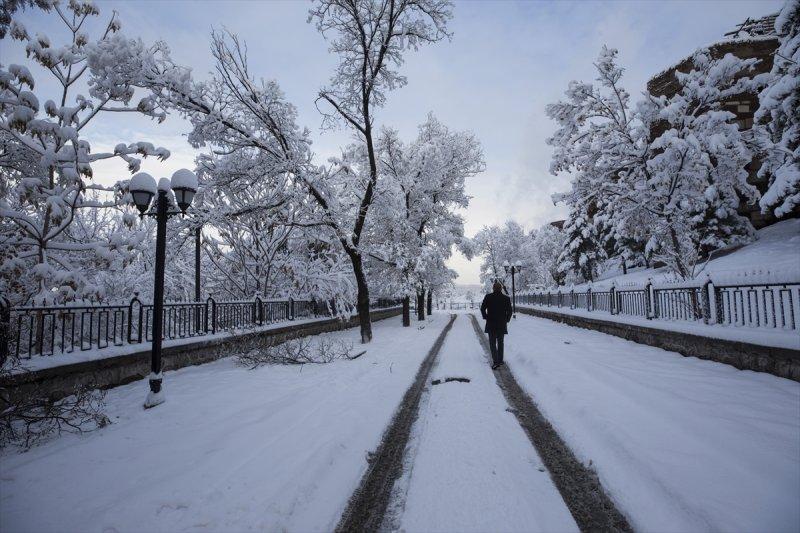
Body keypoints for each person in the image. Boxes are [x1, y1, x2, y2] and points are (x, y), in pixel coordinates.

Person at [480, 281, 513, 370]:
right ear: (501, 289)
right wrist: (507, 320)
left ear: (493, 288)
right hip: (502, 324)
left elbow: (482, 308)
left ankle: (495, 361)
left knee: (492, 343)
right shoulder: (506, 298)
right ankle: (500, 360)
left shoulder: (488, 297)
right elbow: (510, 311)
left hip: (491, 323)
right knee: (500, 342)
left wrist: (485, 317)